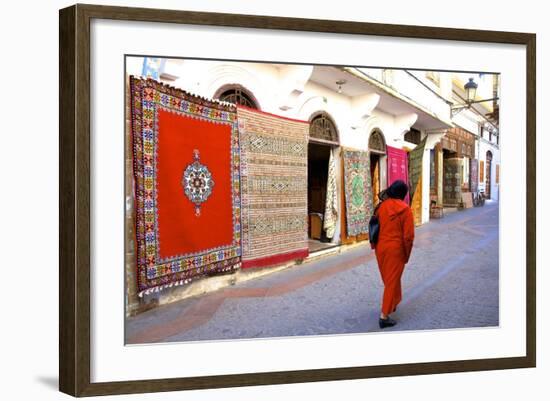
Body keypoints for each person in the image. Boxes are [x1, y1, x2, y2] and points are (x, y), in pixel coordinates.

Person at [372, 180, 415, 329]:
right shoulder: (406, 210)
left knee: (389, 279)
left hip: (381, 248)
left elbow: (373, 227)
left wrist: (374, 246)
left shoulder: (381, 207)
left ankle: (392, 303)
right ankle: (384, 316)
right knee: (391, 281)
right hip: (395, 249)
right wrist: (406, 254)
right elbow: (408, 237)